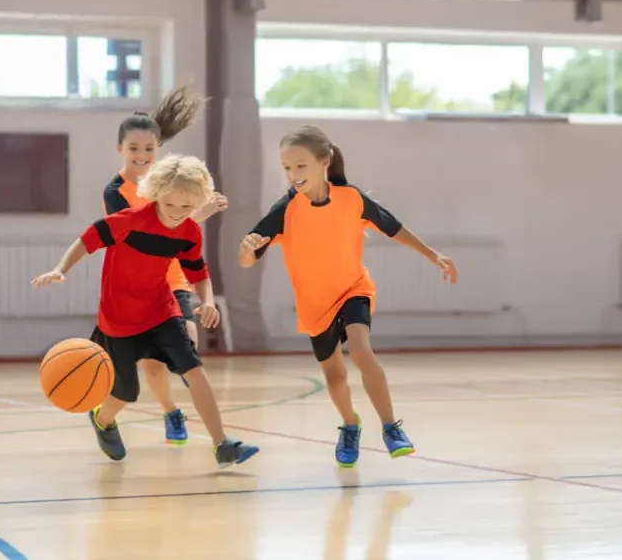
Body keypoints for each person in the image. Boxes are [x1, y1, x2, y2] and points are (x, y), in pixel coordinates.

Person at [237, 125, 458, 468]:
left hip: (353, 288)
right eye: (287, 168)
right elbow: (248, 259)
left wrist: (434, 256)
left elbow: (393, 227)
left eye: (300, 165)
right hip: (314, 305)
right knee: (335, 377)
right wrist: (246, 249)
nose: (293, 174)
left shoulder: (352, 199)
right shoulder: (286, 210)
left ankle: (391, 428)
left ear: (324, 162)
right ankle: (351, 425)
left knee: (360, 347)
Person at [33, 154, 258, 468]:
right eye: (171, 205)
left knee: (195, 370)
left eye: (187, 207)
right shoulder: (128, 221)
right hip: (118, 321)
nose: (178, 213)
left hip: (160, 312)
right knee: (125, 394)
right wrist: (60, 269)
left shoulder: (190, 231)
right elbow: (86, 240)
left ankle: (222, 444)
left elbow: (198, 272)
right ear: (156, 194)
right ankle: (102, 419)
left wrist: (206, 301)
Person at [101, 85, 228, 445]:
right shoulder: (116, 192)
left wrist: (193, 209)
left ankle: (210, 428)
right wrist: (196, 215)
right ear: (120, 150)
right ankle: (172, 411)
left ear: (159, 150)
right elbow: (144, 235)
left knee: (187, 343)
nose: (142, 155)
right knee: (152, 365)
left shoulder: (168, 181)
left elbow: (176, 231)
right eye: (134, 148)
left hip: (171, 278)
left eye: (149, 149)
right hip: (134, 285)